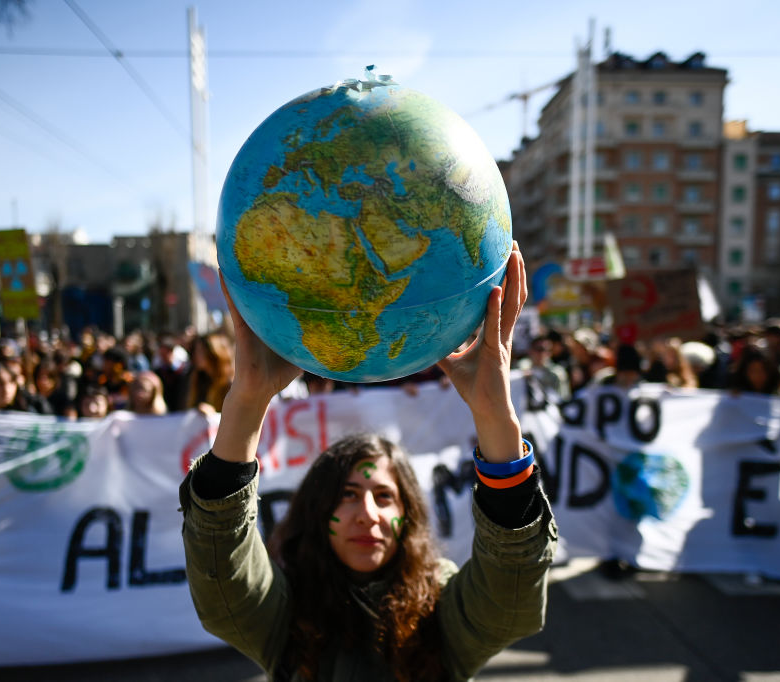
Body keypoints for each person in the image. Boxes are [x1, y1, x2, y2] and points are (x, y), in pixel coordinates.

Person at [180, 243, 557, 681]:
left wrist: (493, 413)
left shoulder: (443, 609)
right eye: (347, 495)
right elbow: (220, 570)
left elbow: (510, 593)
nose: (367, 515)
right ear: (318, 513)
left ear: (408, 515)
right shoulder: (283, 612)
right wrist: (247, 398)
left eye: (384, 496)